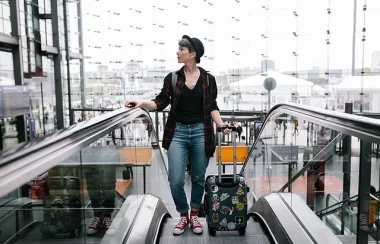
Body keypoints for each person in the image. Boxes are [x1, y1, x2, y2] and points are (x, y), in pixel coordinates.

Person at [124, 35, 231, 235]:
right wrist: (141, 103)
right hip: (178, 133)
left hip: (201, 132)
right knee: (175, 179)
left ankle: (194, 215)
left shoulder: (209, 79)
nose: (178, 52)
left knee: (199, 177)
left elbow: (212, 106)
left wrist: (221, 125)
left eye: (182, 49)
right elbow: (160, 102)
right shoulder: (173, 78)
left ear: (193, 53)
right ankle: (183, 215)